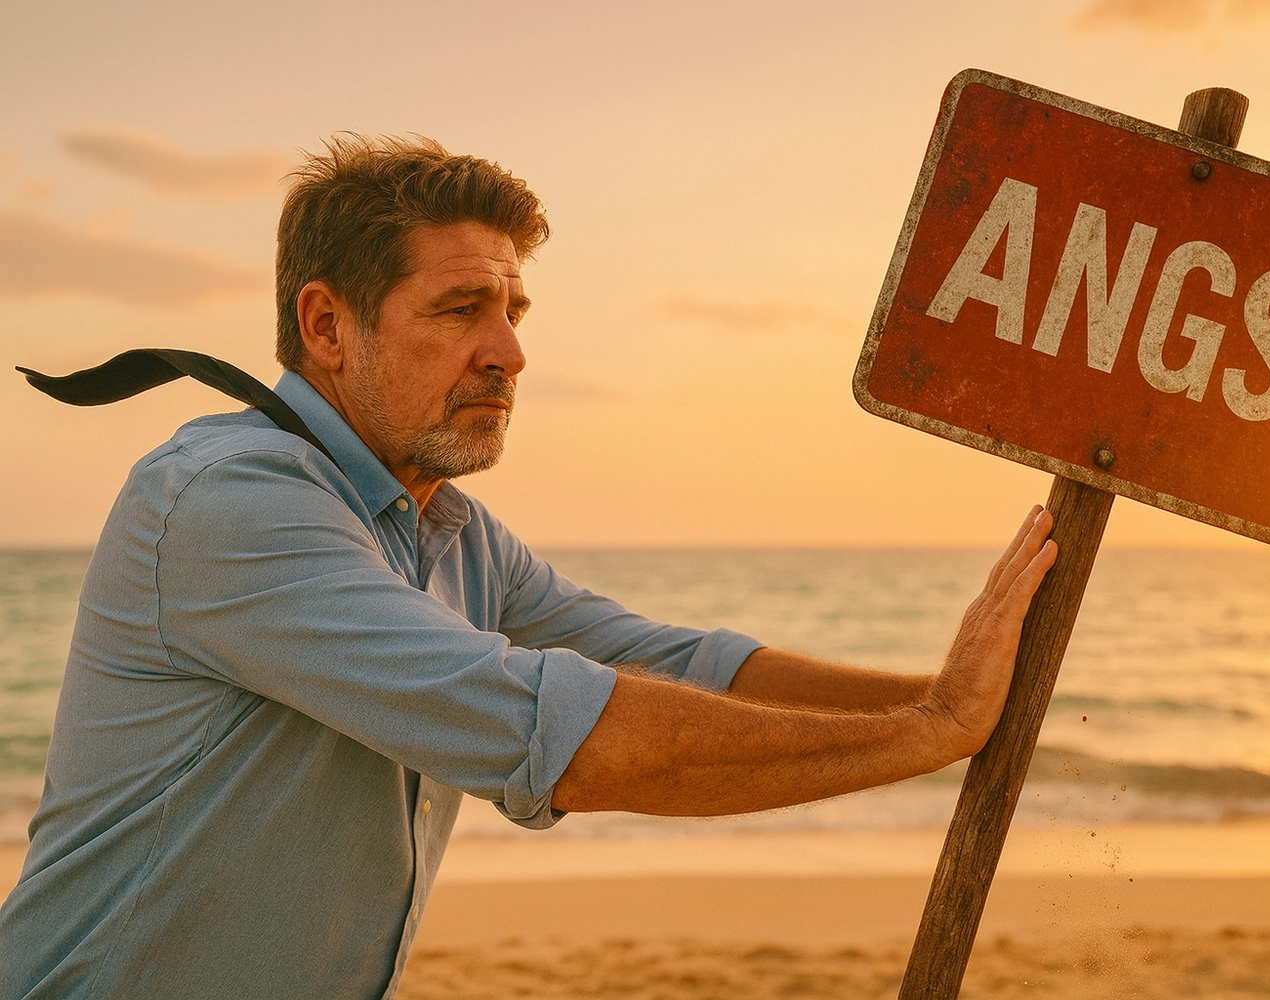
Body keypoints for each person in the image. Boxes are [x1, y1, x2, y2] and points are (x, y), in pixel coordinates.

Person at [0, 134, 1056, 1000]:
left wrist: (949, 700)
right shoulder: (233, 502)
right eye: (462, 310)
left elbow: (670, 659)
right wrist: (926, 737)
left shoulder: (449, 528)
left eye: (514, 311)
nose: (508, 350)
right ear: (327, 324)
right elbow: (558, 733)